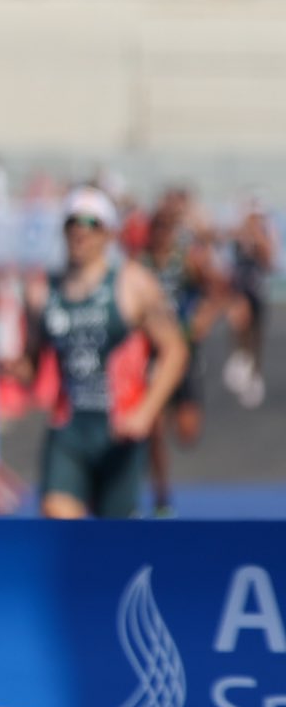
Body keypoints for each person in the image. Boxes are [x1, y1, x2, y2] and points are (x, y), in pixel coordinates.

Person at [14, 186, 188, 520]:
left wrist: (147, 411)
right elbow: (30, 367)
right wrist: (8, 368)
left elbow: (175, 351)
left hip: (119, 432)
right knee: (58, 522)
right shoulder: (41, 291)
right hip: (69, 430)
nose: (81, 231)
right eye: (73, 222)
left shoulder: (132, 284)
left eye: (91, 223)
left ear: (108, 233)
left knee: (115, 544)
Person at [140, 201, 208, 516]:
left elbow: (219, 289)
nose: (163, 235)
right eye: (158, 228)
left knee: (187, 432)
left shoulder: (186, 264)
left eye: (168, 229)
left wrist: (200, 321)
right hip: (153, 356)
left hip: (184, 355)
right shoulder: (140, 266)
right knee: (155, 429)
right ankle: (161, 498)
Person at [222, 195, 275, 409]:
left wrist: (256, 233)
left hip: (257, 288)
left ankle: (255, 374)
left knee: (257, 331)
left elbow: (269, 259)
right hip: (240, 287)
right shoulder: (238, 233)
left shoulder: (266, 233)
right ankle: (241, 357)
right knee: (238, 322)